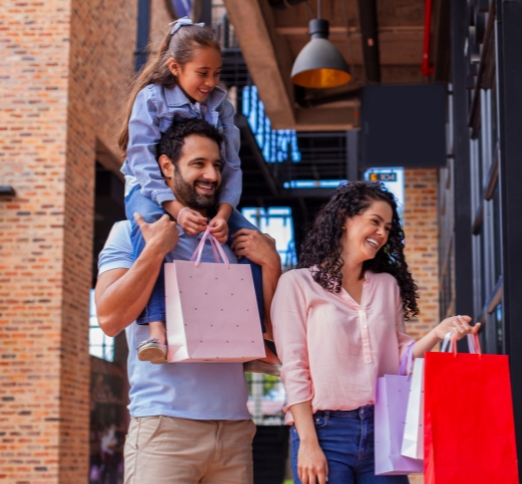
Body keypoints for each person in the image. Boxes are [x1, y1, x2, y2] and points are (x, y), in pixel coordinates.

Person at [95, 119, 282, 483]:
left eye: (216, 165)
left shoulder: (237, 240)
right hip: (164, 430)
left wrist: (271, 265)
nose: (211, 175)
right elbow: (109, 319)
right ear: (167, 167)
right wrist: (154, 251)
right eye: (198, 164)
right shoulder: (130, 233)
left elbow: (273, 335)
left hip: (234, 431)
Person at [272, 181, 481, 484]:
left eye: (387, 227)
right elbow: (293, 369)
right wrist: (308, 442)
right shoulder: (297, 284)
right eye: (375, 221)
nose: (382, 233)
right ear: (344, 217)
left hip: (383, 428)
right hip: (324, 431)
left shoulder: (387, 286)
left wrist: (437, 333)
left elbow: (399, 358)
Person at [116, 16, 263, 364]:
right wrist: (175, 209)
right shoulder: (152, 99)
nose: (211, 82)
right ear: (175, 67)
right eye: (203, 73)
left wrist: (224, 213)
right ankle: (156, 329)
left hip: (205, 196)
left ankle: (258, 334)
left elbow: (231, 165)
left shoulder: (221, 105)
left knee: (256, 243)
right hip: (148, 188)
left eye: (217, 73)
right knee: (150, 233)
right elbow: (141, 158)